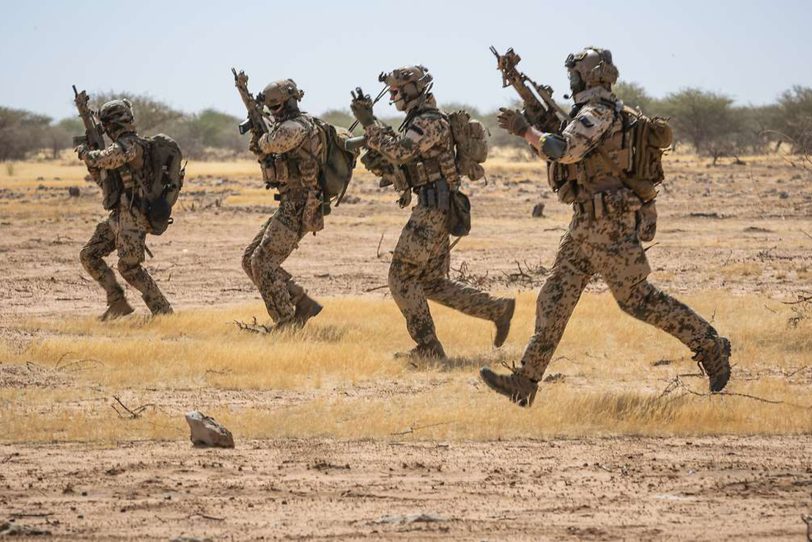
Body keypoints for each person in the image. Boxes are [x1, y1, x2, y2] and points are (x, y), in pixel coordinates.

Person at [480, 47, 731, 406]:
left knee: (637, 300)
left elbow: (563, 149)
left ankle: (711, 346)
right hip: (587, 221)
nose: (571, 81)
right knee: (555, 297)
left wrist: (524, 131)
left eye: (574, 74)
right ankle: (526, 381)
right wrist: (520, 87)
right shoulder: (591, 112)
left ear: (589, 76)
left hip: (609, 221)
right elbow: (559, 133)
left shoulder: (597, 113)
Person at [350, 65, 515, 359]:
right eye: (391, 91)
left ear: (414, 89)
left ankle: (428, 348)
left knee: (400, 277)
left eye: (396, 90)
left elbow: (402, 152)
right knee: (430, 282)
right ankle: (497, 309)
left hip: (433, 210)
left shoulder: (428, 122)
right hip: (435, 206)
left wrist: (370, 124)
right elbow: (403, 157)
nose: (393, 95)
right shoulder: (418, 120)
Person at [77, 99, 173, 319]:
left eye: (107, 125)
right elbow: (105, 180)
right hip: (120, 215)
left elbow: (108, 159)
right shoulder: (123, 146)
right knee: (89, 255)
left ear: (114, 124)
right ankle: (117, 302)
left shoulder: (132, 145)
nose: (106, 131)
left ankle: (164, 312)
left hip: (135, 217)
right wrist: (92, 160)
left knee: (129, 268)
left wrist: (87, 153)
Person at [242, 79, 324, 328]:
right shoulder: (287, 125)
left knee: (262, 263)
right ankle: (300, 300)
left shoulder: (295, 127)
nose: (274, 112)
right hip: (289, 203)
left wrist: (260, 130)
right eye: (270, 108)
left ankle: (286, 323)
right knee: (249, 260)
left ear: (289, 102)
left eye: (276, 107)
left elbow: (267, 144)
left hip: (300, 205)